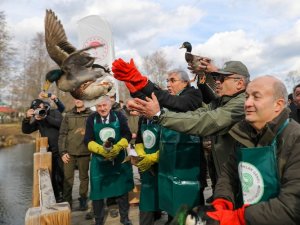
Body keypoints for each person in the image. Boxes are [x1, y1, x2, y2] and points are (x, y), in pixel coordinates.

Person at [126, 61, 250, 199]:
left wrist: (158, 115)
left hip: (243, 179)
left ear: (239, 83)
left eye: (221, 78)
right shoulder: (220, 102)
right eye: (215, 78)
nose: (217, 82)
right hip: (227, 176)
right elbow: (196, 114)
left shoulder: (242, 103)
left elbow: (207, 121)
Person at [112, 59, 205, 222]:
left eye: (172, 80)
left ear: (185, 82)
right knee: (172, 207)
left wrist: (143, 82)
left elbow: (175, 103)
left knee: (190, 212)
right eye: (167, 80)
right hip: (171, 163)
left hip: (189, 165)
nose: (168, 84)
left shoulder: (193, 95)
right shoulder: (171, 97)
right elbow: (154, 98)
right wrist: (134, 86)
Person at [201, 75, 300, 225]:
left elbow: (292, 206)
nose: (247, 103)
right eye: (247, 96)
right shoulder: (243, 135)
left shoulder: (295, 138)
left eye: (256, 97)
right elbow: (229, 175)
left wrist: (238, 218)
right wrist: (222, 202)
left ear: (278, 105)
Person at [84, 96, 134, 225]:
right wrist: (100, 150)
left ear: (110, 106)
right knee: (98, 191)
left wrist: (118, 147)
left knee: (122, 189)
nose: (102, 108)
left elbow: (127, 134)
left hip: (119, 160)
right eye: (99, 106)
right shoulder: (91, 119)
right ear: (96, 107)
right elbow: (88, 140)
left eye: (104, 105)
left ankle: (125, 218)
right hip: (99, 160)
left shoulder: (119, 116)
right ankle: (99, 220)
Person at [22, 98, 64, 202]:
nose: (40, 109)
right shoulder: (38, 120)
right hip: (50, 151)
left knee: (63, 174)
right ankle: (57, 197)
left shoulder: (55, 112)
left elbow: (60, 124)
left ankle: (66, 195)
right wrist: (27, 118)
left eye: (41, 107)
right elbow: (26, 130)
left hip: (62, 149)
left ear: (44, 105)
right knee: (53, 175)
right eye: (36, 108)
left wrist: (45, 117)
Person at [58, 98, 92, 210]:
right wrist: (62, 152)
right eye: (76, 98)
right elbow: (62, 134)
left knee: (84, 177)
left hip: (85, 152)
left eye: (81, 98)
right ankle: (67, 202)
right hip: (69, 153)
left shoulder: (91, 115)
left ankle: (83, 200)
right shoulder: (68, 115)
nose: (78, 100)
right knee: (68, 178)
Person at [134, 115, 161, 225]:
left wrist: (154, 157)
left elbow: (170, 141)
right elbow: (139, 139)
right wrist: (141, 153)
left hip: (164, 160)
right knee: (147, 191)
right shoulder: (142, 118)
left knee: (165, 191)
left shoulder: (165, 115)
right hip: (146, 162)